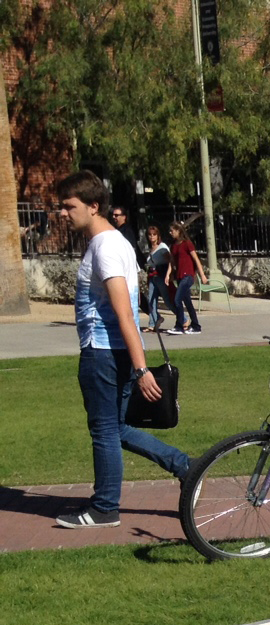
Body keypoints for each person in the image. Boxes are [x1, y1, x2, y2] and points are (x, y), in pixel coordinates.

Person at [52, 170, 194, 529]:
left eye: (70, 206)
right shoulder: (109, 243)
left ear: (93, 206)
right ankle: (186, 467)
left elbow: (125, 312)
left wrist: (142, 368)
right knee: (115, 428)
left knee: (104, 431)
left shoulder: (106, 247)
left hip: (104, 353)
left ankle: (104, 508)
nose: (63, 213)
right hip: (108, 352)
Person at [166, 221, 202, 334]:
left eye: (172, 230)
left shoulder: (187, 244)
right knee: (187, 302)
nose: (170, 233)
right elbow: (172, 262)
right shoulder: (173, 246)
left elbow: (196, 259)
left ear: (178, 231)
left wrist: (202, 275)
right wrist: (168, 274)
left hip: (188, 276)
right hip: (179, 276)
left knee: (177, 300)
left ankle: (179, 326)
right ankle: (196, 325)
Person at [142, 224, 172, 333]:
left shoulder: (162, 247)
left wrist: (168, 275)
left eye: (154, 235)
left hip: (161, 276)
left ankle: (184, 320)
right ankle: (152, 323)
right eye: (150, 235)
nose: (152, 237)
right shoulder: (150, 249)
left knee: (167, 300)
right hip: (152, 277)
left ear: (158, 235)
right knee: (151, 300)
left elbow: (170, 261)